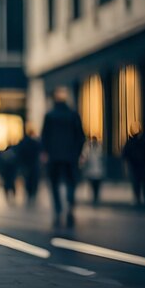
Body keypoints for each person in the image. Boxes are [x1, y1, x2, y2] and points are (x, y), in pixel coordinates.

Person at [41, 87, 85, 228]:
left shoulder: (50, 115)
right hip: (70, 156)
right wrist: (78, 153)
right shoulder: (73, 115)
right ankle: (70, 203)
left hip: (54, 156)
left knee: (54, 183)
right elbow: (80, 136)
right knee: (71, 181)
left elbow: (44, 137)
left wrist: (45, 152)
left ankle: (58, 208)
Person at [122, 123, 145, 207]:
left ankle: (143, 198)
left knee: (143, 183)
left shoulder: (144, 141)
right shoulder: (132, 142)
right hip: (135, 166)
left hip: (142, 166)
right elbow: (126, 154)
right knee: (137, 183)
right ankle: (139, 198)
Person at [15, 127, 42, 204]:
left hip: (26, 164)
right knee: (33, 179)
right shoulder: (35, 142)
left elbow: (19, 153)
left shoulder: (23, 142)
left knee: (27, 178)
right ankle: (32, 192)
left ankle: (29, 192)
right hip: (33, 163)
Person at [82, 137, 105, 205]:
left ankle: (96, 197)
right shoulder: (89, 149)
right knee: (92, 185)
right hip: (92, 171)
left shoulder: (99, 149)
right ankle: (94, 197)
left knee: (97, 185)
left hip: (97, 171)